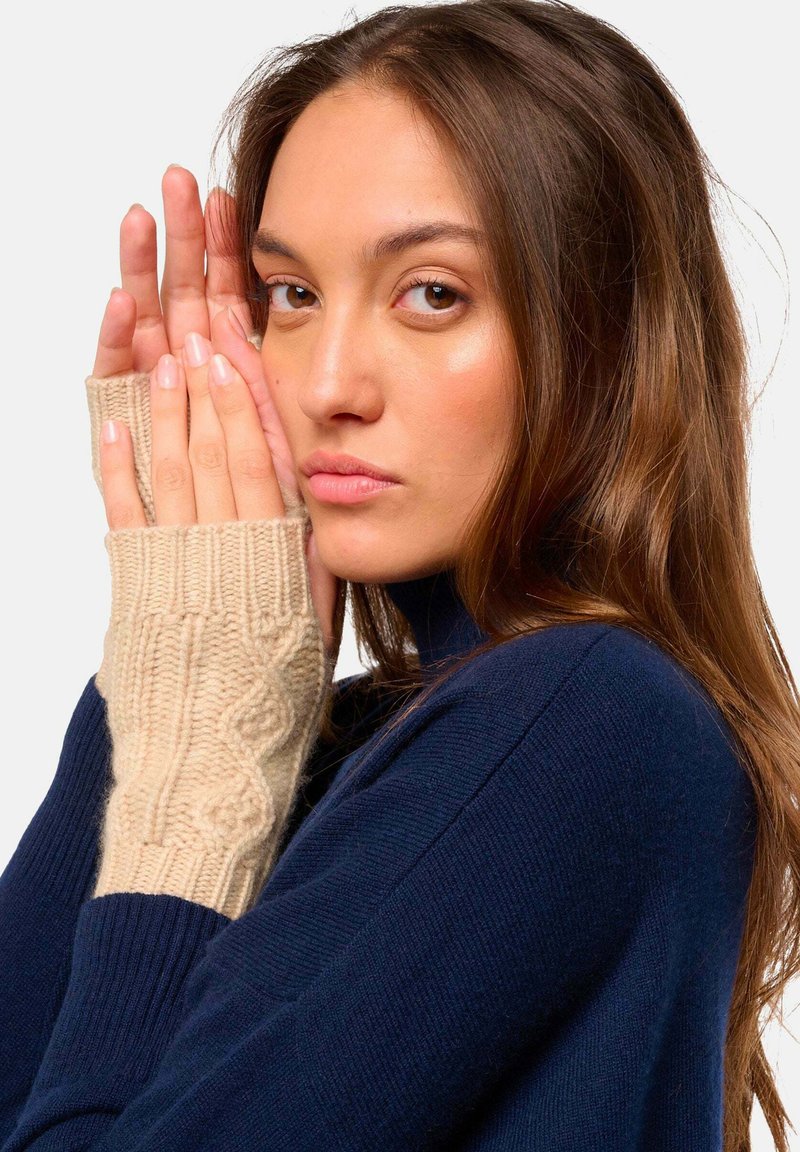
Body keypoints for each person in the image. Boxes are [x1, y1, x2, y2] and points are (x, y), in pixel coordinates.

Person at [0, 0, 796, 1148]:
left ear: (600, 337)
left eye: (431, 293)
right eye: (291, 296)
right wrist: (167, 665)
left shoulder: (583, 716)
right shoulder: (340, 743)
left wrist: (189, 770)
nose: (328, 385)